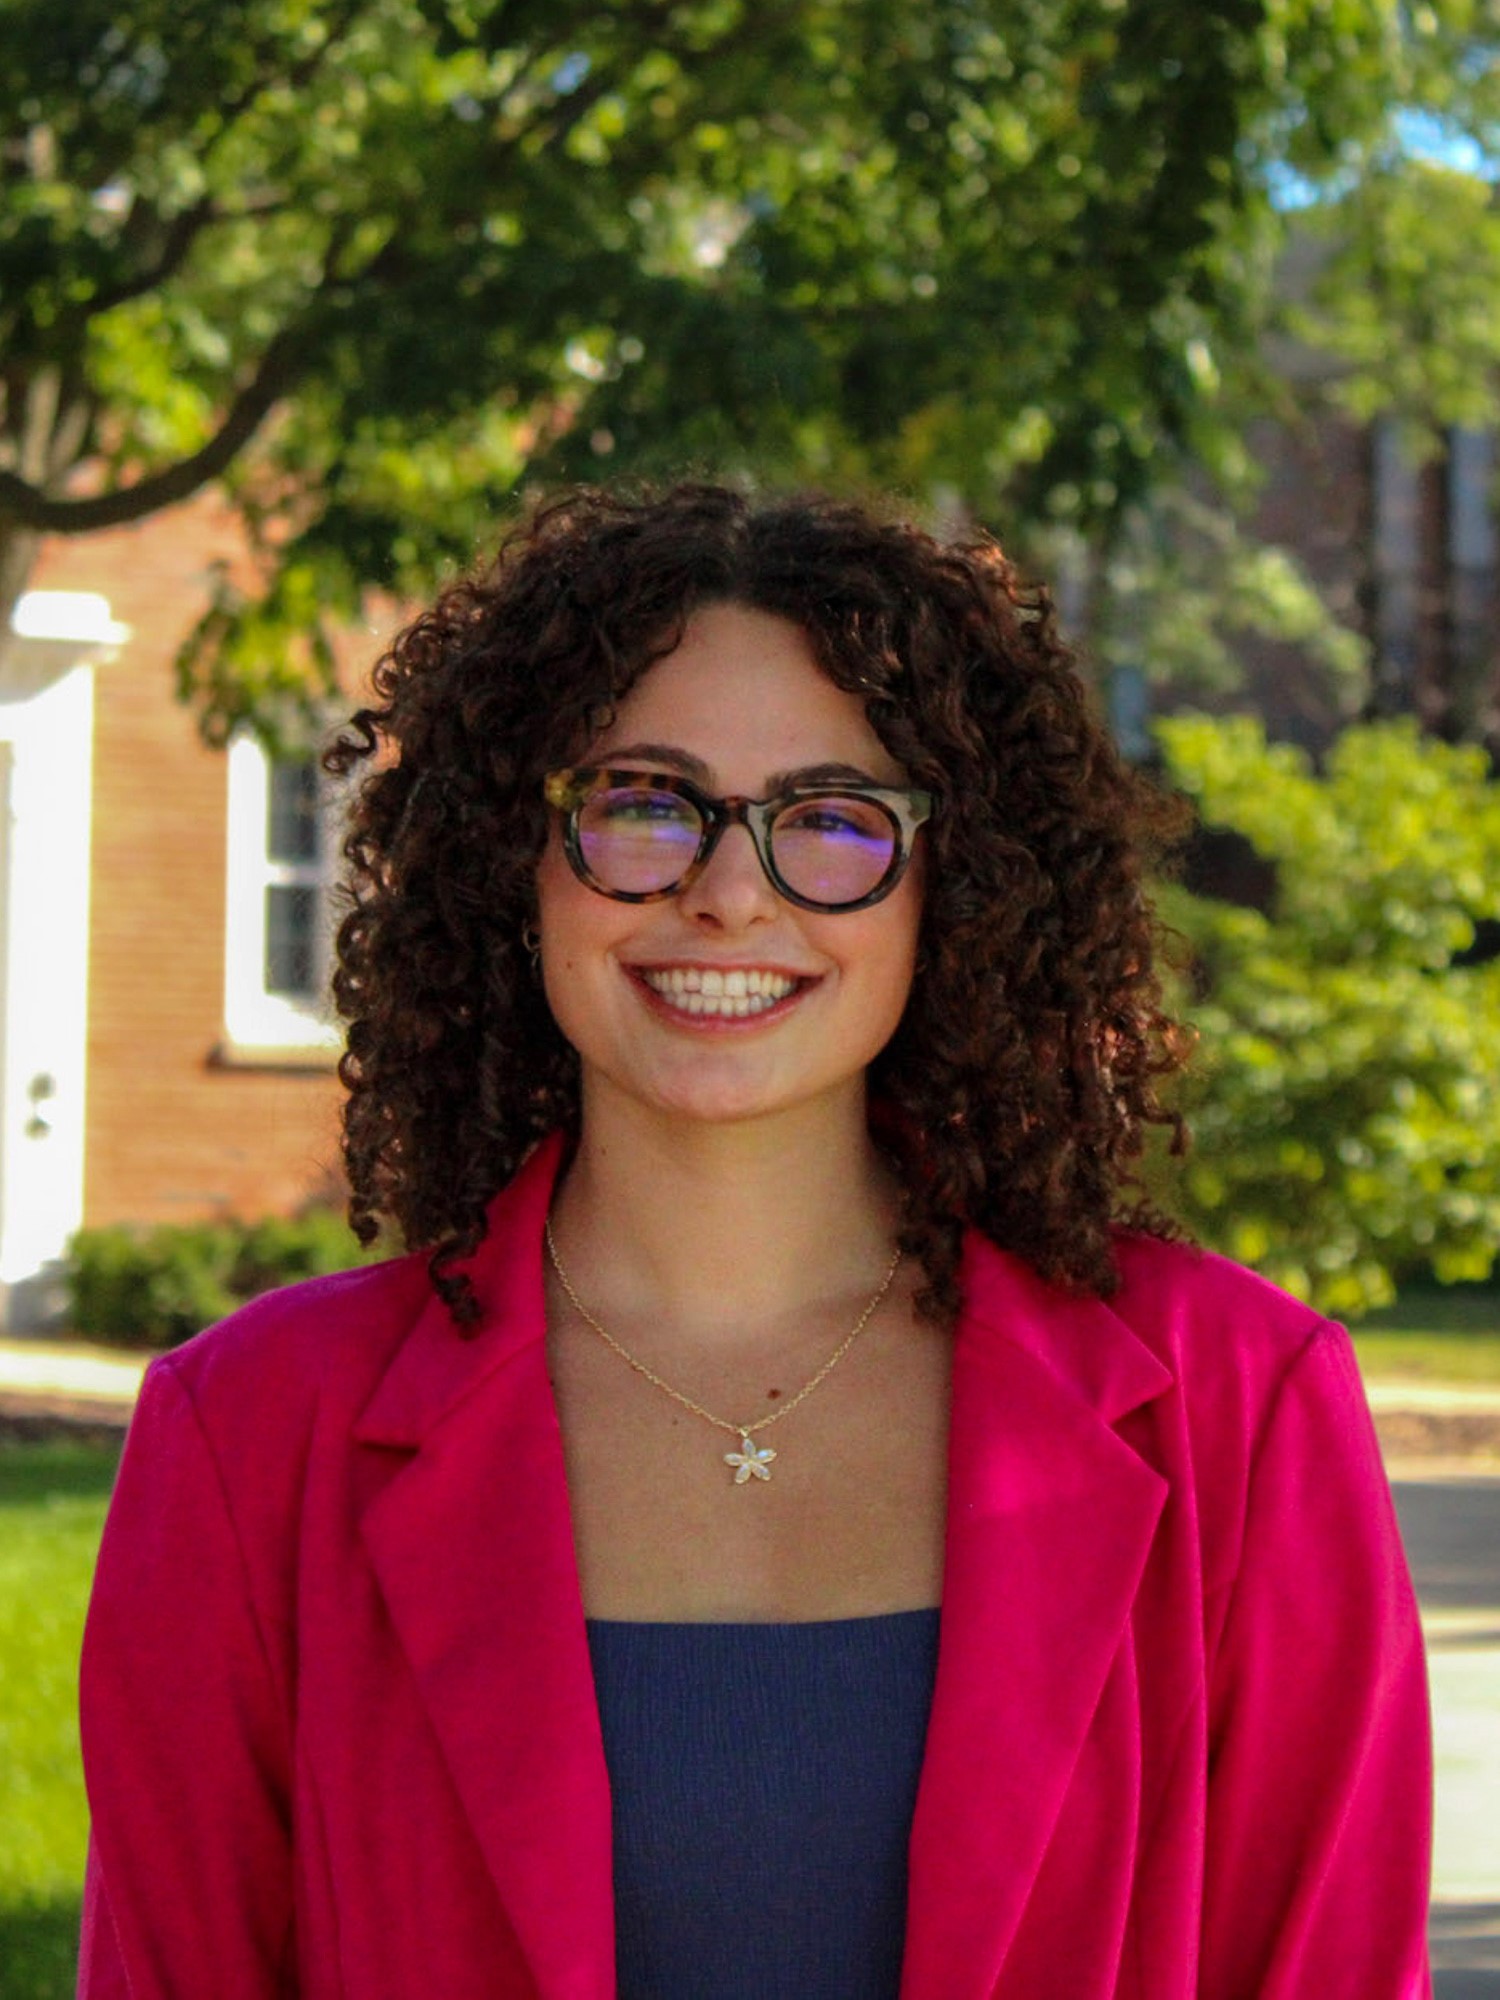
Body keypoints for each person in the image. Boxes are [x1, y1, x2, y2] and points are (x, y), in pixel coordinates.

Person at [77, 483, 1432, 1999]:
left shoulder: (1239, 1407)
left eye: (833, 819)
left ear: (957, 887)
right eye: (643, 804)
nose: (729, 895)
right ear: (514, 861)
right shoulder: (250, 1440)